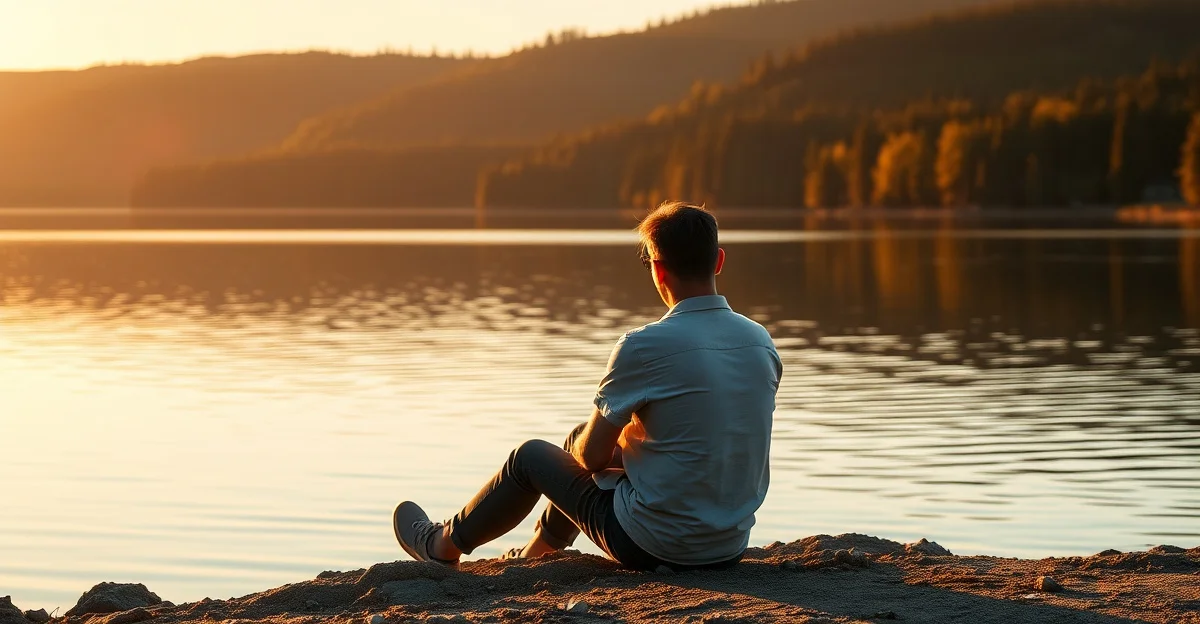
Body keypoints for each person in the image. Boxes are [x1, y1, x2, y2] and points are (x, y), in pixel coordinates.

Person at [393, 201, 782, 571]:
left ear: (658, 270)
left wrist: (606, 450)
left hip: (653, 544)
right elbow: (717, 436)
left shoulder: (644, 346)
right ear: (718, 260)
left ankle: (443, 546)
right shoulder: (760, 341)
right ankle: (536, 553)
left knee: (531, 457)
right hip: (729, 545)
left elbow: (592, 459)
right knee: (586, 437)